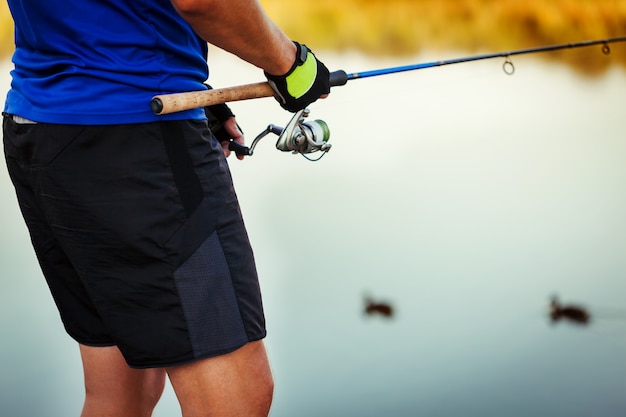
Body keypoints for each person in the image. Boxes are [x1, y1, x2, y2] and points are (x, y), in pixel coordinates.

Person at [2, 0, 330, 416]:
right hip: (137, 143)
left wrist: (184, 85)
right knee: (237, 402)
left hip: (41, 129)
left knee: (121, 397)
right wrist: (291, 63)